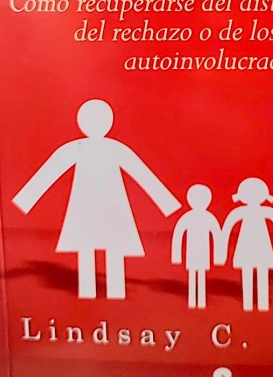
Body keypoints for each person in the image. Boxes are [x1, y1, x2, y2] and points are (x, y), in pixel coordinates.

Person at [12, 99, 181, 299]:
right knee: (97, 247)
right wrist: (166, 202)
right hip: (91, 206)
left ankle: (109, 291)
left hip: (104, 206)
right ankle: (98, 292)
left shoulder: (88, 148)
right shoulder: (93, 148)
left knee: (102, 247)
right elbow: (50, 171)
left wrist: (26, 199)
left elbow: (141, 173)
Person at [220, 178, 273, 311]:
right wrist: (221, 253)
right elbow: (227, 230)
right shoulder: (240, 212)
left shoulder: (266, 212)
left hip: (262, 248)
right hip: (246, 248)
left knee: (261, 273)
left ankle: (262, 303)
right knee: (248, 273)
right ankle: (249, 303)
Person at [171, 184, 223, 309]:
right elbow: (178, 235)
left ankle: (201, 300)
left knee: (201, 275)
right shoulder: (188, 217)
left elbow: (217, 235)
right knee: (193, 275)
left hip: (203, 252)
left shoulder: (208, 217)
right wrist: (176, 256)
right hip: (192, 252)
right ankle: (192, 300)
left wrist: (219, 257)